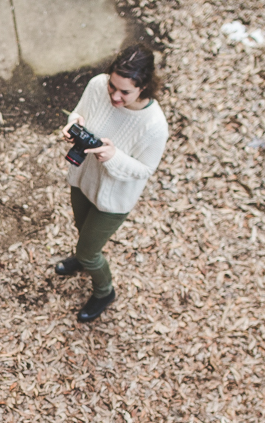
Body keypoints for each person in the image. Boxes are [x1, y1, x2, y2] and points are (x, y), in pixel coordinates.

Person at [56, 43, 169, 322]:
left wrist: (113, 157)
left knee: (89, 250)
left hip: (114, 200)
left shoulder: (154, 125)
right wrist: (73, 127)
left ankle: (104, 292)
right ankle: (83, 259)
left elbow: (145, 169)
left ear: (144, 87)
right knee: (82, 229)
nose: (115, 96)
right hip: (83, 179)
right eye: (112, 87)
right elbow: (78, 114)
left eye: (125, 92)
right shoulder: (97, 85)